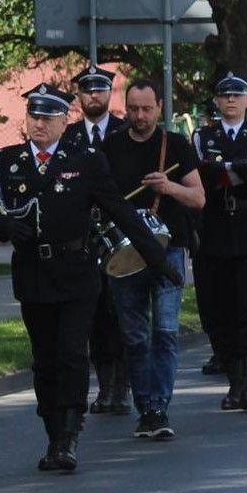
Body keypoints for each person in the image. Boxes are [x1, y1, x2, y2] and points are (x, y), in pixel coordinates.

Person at [0, 84, 176, 475]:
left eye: (48, 117)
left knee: (71, 353)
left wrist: (157, 258)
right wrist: (7, 227)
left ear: (66, 121)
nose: (39, 124)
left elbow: (120, 211)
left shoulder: (85, 160)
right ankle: (52, 429)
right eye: (34, 116)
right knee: (45, 359)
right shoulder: (6, 162)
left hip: (78, 272)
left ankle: (68, 434)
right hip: (33, 274)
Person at [101, 78, 205, 442]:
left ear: (160, 108)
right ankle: (145, 405)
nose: (140, 116)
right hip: (125, 254)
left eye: (147, 109)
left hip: (169, 250)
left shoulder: (175, 144)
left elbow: (198, 198)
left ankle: (158, 405)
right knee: (134, 336)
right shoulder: (111, 145)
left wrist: (168, 186)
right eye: (133, 109)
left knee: (165, 332)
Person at [192, 74, 247, 413]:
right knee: (219, 310)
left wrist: (230, 172)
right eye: (223, 95)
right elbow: (200, 176)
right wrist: (235, 171)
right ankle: (231, 378)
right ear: (216, 101)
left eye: (237, 95)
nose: (230, 100)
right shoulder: (204, 136)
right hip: (215, 228)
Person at [66, 65, 130, 416]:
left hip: (119, 233)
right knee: (94, 313)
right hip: (84, 236)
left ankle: (122, 385)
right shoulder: (70, 135)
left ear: (110, 94)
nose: (94, 95)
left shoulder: (124, 131)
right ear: (79, 96)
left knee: (119, 309)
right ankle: (104, 385)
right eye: (87, 90)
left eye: (100, 90)